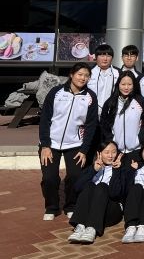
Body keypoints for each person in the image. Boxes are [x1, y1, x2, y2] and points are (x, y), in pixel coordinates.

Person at [39, 63, 97, 221]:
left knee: (75, 176)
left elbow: (91, 125)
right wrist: (45, 145)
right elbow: (45, 119)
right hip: (51, 143)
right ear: (72, 75)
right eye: (80, 74)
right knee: (50, 178)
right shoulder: (56, 92)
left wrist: (84, 150)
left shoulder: (90, 97)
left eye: (86, 75)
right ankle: (51, 207)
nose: (83, 78)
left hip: (75, 144)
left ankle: (71, 205)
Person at [67, 140, 124, 244]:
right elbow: (77, 188)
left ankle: (92, 229)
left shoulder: (121, 170)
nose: (110, 156)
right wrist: (94, 170)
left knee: (102, 186)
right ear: (99, 153)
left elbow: (115, 194)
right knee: (89, 185)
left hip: (110, 211)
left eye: (114, 152)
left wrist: (116, 171)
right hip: (89, 212)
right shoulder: (92, 168)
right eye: (107, 152)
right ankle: (80, 226)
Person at [100, 71, 144, 168]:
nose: (126, 87)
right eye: (123, 84)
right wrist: (111, 139)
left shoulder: (141, 101)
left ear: (134, 85)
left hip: (135, 149)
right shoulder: (110, 102)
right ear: (118, 84)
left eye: (129, 84)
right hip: (115, 150)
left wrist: (139, 139)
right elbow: (103, 122)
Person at [88, 43, 120, 115]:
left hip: (111, 113)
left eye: (108, 56)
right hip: (91, 112)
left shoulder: (118, 73)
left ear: (112, 58)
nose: (105, 59)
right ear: (96, 57)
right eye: (102, 55)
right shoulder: (89, 72)